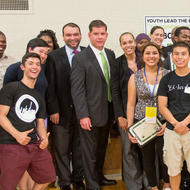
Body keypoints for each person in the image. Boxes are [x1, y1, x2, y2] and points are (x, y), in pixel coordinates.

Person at [71, 20, 117, 190]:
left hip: (108, 112)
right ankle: (91, 184)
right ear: (89, 35)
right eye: (96, 34)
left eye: (102, 33)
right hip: (89, 114)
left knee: (101, 149)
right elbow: (77, 89)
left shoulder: (110, 55)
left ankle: (99, 176)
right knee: (89, 152)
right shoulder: (80, 58)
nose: (99, 37)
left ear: (106, 35)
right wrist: (83, 115)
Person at [0, 52, 56, 190]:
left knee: (48, 177)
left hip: (34, 145)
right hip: (11, 144)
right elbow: (1, 115)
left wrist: (44, 138)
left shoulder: (38, 96)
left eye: (37, 64)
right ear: (22, 67)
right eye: (30, 63)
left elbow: (39, 122)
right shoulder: (11, 88)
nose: (34, 67)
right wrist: (17, 135)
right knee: (8, 185)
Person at [45, 23, 85, 190]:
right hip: (60, 112)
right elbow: (50, 85)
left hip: (82, 113)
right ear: (63, 37)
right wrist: (53, 109)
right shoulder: (54, 56)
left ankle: (78, 180)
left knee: (79, 150)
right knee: (61, 151)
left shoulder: (87, 53)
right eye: (68, 35)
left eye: (75, 34)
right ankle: (64, 183)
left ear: (81, 35)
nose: (72, 38)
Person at [127, 42, 170, 190]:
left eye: (154, 53)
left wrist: (168, 123)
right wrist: (130, 128)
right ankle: (153, 186)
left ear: (159, 55)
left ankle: (168, 184)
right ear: (142, 56)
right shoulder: (135, 77)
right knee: (147, 157)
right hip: (142, 123)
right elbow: (131, 104)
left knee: (166, 156)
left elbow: (173, 102)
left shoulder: (167, 74)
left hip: (164, 122)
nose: (151, 56)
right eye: (148, 53)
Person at [111, 32, 150, 190]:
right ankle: (134, 185)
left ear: (135, 43)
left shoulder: (145, 59)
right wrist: (120, 115)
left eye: (130, 42)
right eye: (124, 43)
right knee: (128, 150)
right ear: (121, 45)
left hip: (147, 113)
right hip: (127, 114)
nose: (128, 45)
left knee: (146, 150)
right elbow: (114, 91)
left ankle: (149, 183)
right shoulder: (117, 63)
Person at [158, 41, 190, 190]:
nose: (180, 57)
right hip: (172, 131)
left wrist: (184, 123)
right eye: (176, 54)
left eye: (183, 54)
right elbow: (162, 106)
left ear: (189, 56)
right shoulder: (166, 79)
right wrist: (176, 124)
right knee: (173, 169)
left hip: (189, 130)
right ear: (172, 56)